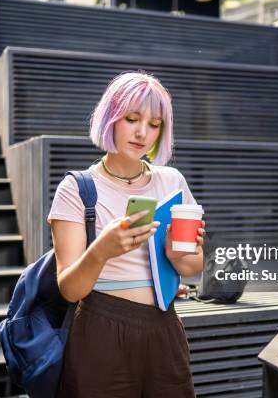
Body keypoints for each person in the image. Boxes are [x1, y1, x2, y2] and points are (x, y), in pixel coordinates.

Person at [47, 71, 206, 397]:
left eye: (154, 123)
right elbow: (69, 288)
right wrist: (102, 250)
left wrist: (180, 255)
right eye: (131, 118)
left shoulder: (172, 182)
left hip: (165, 327)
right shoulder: (78, 188)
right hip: (100, 328)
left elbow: (195, 269)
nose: (142, 133)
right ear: (110, 119)